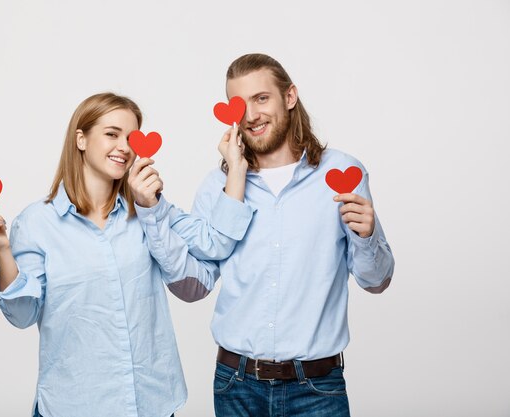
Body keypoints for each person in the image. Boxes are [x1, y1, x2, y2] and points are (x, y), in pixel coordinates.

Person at [0, 92, 252, 417]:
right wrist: (3, 249)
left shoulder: (149, 208)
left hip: (152, 404)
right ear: (81, 139)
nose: (124, 146)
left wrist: (236, 166)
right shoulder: (37, 223)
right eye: (111, 134)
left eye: (130, 137)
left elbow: (216, 243)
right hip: (74, 406)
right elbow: (22, 315)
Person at [161, 53, 396, 417]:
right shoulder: (218, 187)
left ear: (289, 97)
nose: (251, 115)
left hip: (317, 387)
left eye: (261, 98)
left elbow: (376, 280)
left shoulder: (342, 172)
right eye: (240, 104)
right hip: (235, 385)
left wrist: (368, 234)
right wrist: (153, 215)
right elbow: (196, 286)